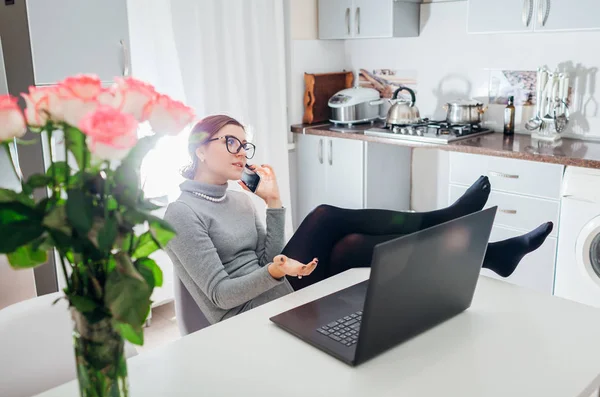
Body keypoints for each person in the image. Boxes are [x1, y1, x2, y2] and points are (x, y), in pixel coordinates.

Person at [164, 115, 553, 325]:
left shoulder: (240, 200)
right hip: (243, 316)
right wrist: (275, 272)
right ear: (199, 150)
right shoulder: (181, 214)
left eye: (244, 144)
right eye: (231, 142)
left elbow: (273, 255)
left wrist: (275, 204)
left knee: (353, 245)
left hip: (276, 289)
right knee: (324, 217)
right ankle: (448, 220)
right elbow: (220, 297)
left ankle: (491, 256)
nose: (241, 152)